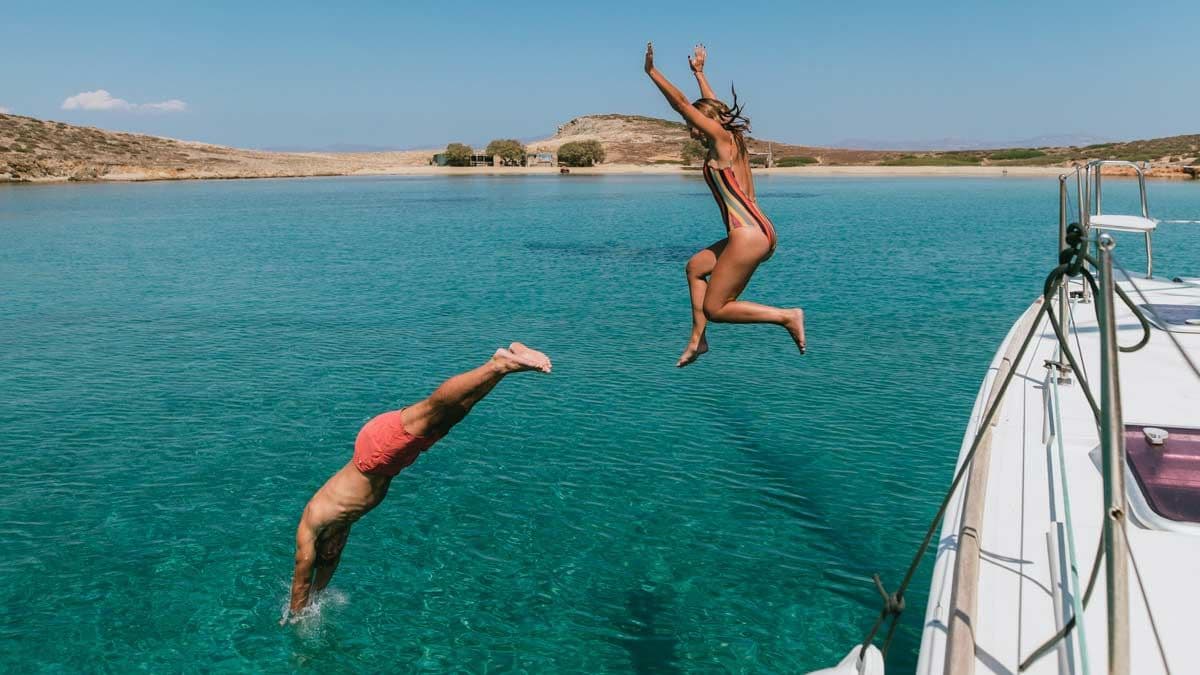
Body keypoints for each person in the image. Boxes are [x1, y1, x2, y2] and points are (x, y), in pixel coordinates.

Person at [283, 343, 552, 621]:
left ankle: (498, 363)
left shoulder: (311, 529)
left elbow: (302, 579)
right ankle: (505, 365)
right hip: (388, 461)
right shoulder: (337, 528)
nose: (336, 550)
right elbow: (322, 575)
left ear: (320, 546)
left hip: (375, 452)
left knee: (433, 408)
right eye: (334, 551)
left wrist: (295, 618)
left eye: (331, 550)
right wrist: (317, 597)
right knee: (454, 413)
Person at [644, 42, 806, 367]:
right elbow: (716, 107)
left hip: (748, 234)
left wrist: (651, 72)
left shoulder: (720, 142)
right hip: (755, 230)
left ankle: (786, 316)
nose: (690, 128)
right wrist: (700, 74)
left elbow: (679, 104)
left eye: (693, 122)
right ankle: (697, 340)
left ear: (705, 123)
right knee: (694, 268)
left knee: (717, 308)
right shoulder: (734, 140)